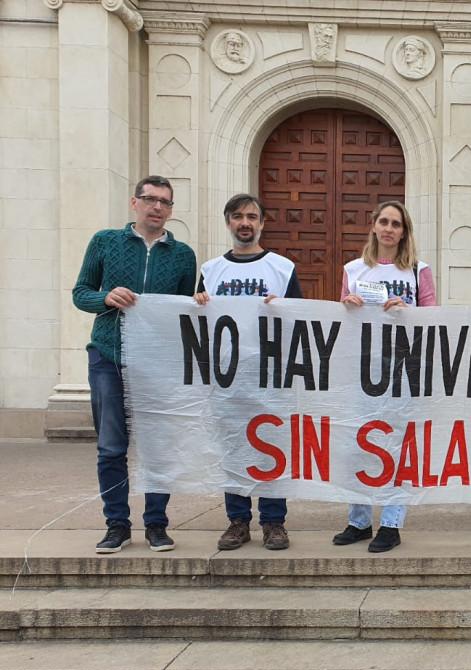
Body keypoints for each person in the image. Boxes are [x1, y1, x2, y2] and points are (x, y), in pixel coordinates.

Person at [72, 175, 197, 554]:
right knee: (111, 446)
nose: (158, 207)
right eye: (151, 199)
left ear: (171, 210)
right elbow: (80, 293)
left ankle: (157, 525)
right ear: (135, 203)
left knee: (158, 446)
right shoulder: (104, 242)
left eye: (165, 202)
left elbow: (182, 310)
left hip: (158, 364)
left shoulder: (183, 255)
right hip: (108, 355)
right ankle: (117, 525)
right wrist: (105, 298)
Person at [195, 194, 301, 551]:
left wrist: (283, 309)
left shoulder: (282, 268)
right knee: (233, 448)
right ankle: (237, 520)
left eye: (252, 217)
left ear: (262, 223)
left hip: (269, 374)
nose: (245, 222)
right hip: (226, 375)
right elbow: (194, 325)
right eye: (238, 216)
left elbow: (301, 323)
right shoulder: (211, 271)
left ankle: (274, 522)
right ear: (227, 221)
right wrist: (197, 305)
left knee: (272, 447)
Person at [332, 200, 437, 553]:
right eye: (384, 222)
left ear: (404, 231)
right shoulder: (354, 270)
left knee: (399, 446)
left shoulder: (419, 271)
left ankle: (391, 524)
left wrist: (410, 312)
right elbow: (341, 323)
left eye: (397, 223)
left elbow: (434, 321)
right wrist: (347, 305)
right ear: (374, 225)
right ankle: (359, 520)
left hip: (404, 369)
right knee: (357, 443)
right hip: (363, 367)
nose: (389, 228)